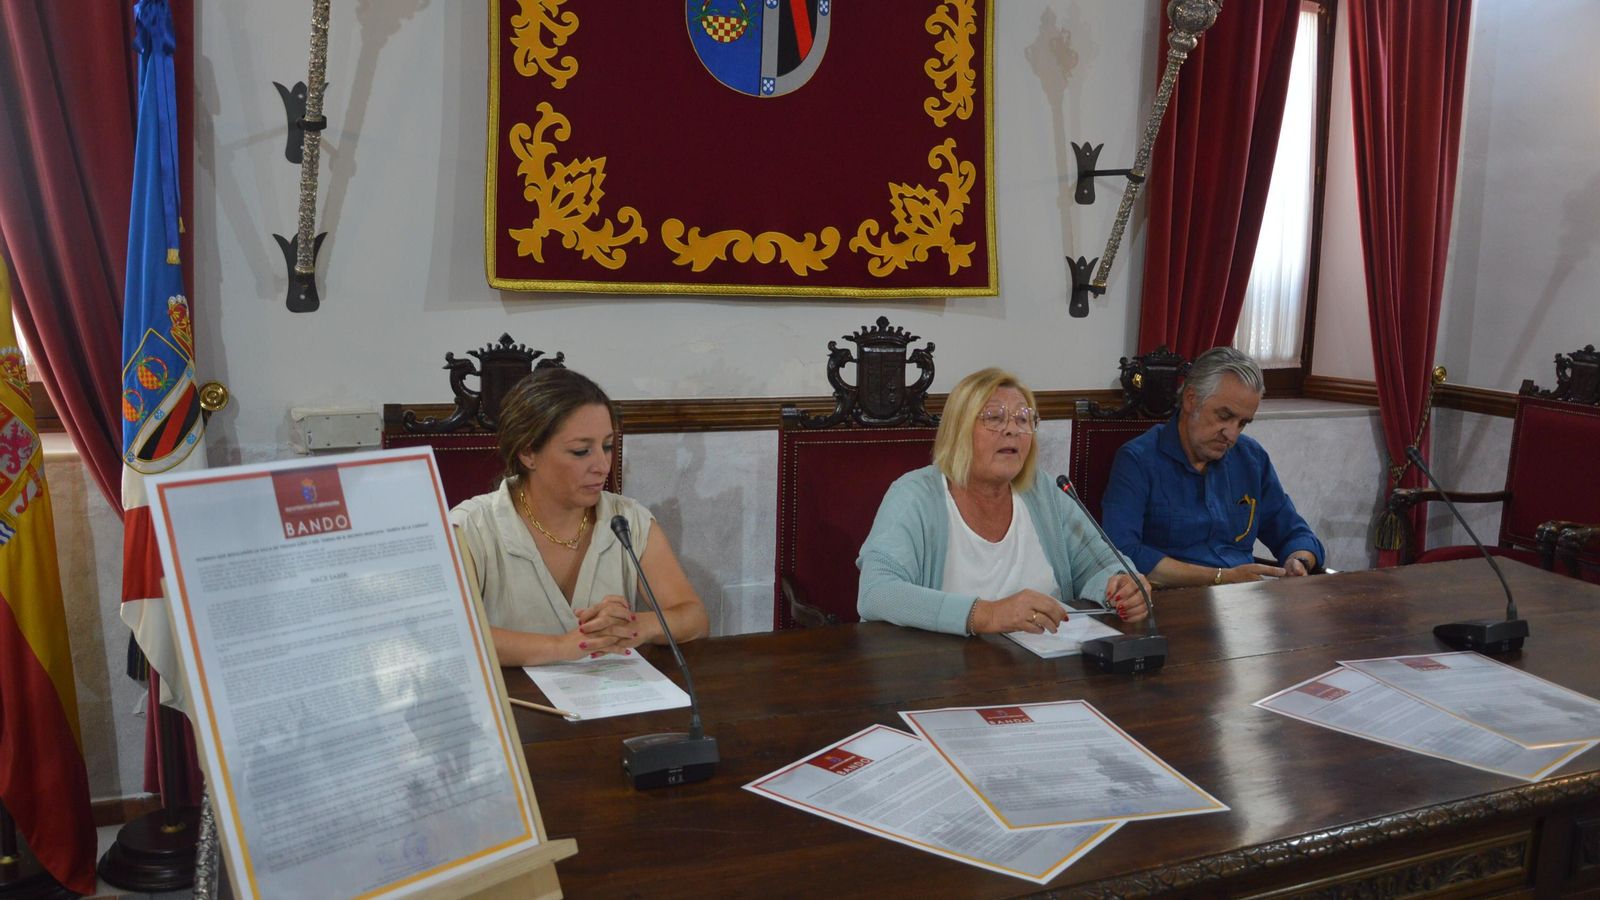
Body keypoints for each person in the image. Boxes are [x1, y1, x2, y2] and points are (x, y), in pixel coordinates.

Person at [857, 367, 1150, 636]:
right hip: (943, 676)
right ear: (958, 430)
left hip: (1045, 671)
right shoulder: (915, 495)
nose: (1012, 429)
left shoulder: (1043, 490)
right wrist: (987, 614)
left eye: (1023, 419)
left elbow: (1100, 564)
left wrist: (1123, 584)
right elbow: (877, 592)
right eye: (994, 418)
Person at [451, 367, 709, 666]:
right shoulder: (471, 527)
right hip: (515, 708)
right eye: (580, 451)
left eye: (608, 446)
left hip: (613, 705)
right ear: (528, 453)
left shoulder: (628, 519)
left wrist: (637, 626)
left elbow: (694, 618)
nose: (602, 465)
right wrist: (564, 647)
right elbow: (450, 635)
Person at [1101, 346, 1326, 588]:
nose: (1231, 434)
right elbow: (1122, 553)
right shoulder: (1138, 460)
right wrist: (1221, 577)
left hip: (1244, 604)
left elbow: (1295, 533)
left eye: (1242, 423)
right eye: (1224, 416)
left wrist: (1298, 560)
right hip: (1174, 604)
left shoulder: (1251, 458)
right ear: (1191, 399)